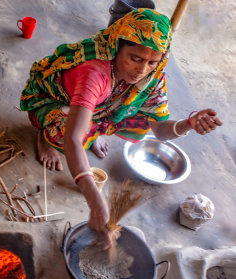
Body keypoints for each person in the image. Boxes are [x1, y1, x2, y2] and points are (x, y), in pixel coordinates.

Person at [20, 8, 222, 248]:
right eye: (135, 58)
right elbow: (73, 139)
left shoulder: (151, 78)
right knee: (66, 134)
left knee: (138, 123)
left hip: (95, 108)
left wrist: (188, 124)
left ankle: (92, 126)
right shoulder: (94, 72)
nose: (142, 70)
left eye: (152, 62)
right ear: (117, 47)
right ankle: (46, 138)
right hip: (58, 103)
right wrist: (96, 202)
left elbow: (158, 130)